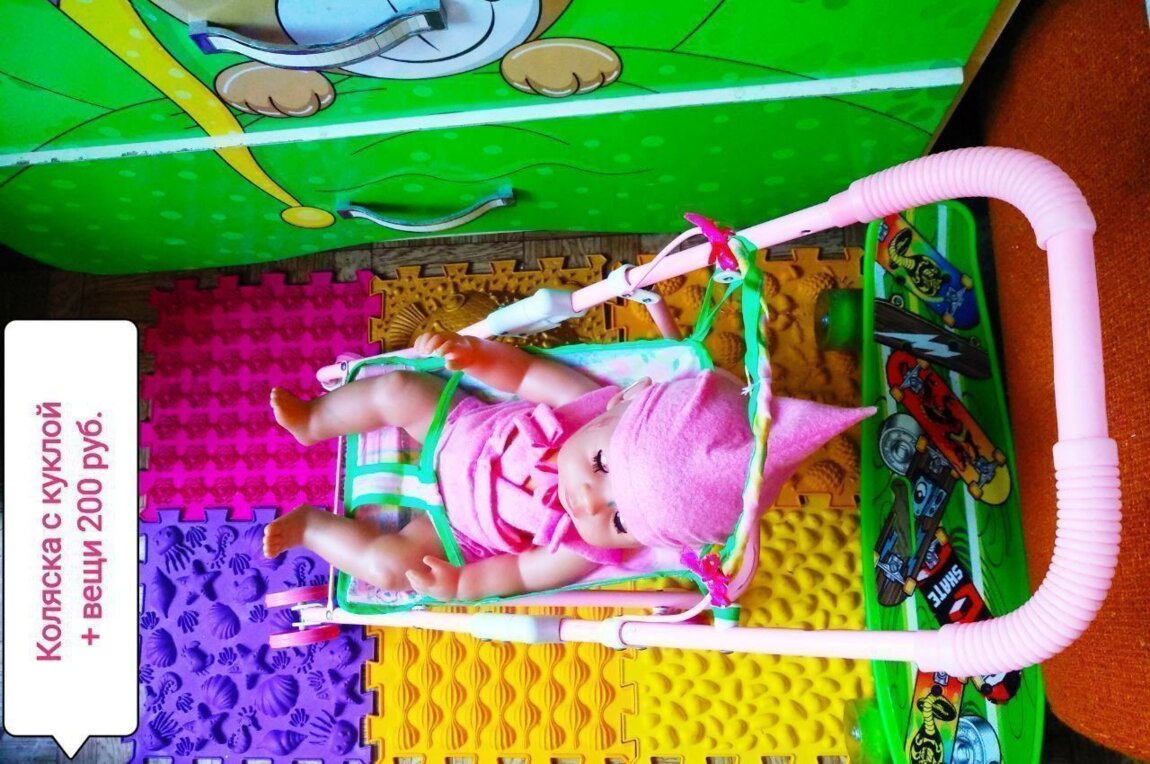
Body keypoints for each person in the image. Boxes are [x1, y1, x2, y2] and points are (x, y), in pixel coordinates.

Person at [264, 331, 872, 601]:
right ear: (623, 403)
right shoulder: (584, 403)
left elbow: (519, 573)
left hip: (456, 533)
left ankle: (313, 528)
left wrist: (460, 584)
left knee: (388, 567)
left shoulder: (584, 550)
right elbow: (523, 372)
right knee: (398, 389)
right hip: (451, 429)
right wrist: (475, 355)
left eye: (620, 520)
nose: (589, 500)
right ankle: (314, 421)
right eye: (602, 465)